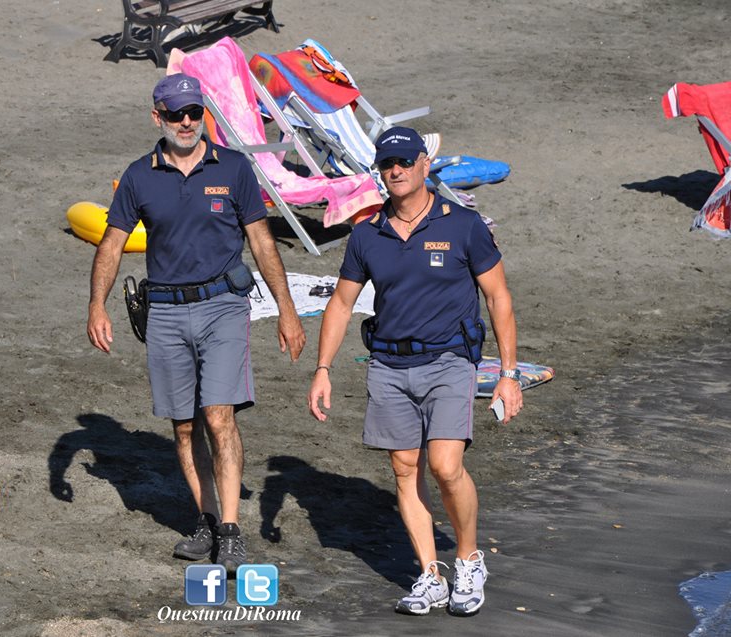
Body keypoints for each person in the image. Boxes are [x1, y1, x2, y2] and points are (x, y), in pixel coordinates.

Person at [87, 73, 305, 574]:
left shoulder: (233, 168)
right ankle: (205, 517)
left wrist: (287, 310)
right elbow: (112, 244)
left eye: (194, 112)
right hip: (164, 311)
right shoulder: (139, 176)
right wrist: (97, 305)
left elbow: (262, 241)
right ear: (156, 117)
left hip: (224, 307)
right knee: (183, 426)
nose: (186, 122)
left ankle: (230, 529)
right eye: (175, 114)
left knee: (218, 416)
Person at [307, 126, 522, 616]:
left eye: (404, 162)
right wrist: (323, 369)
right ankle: (429, 574)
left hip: (450, 359)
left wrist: (508, 373)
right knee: (406, 471)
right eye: (387, 164)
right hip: (387, 364)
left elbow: (498, 297)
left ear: (425, 164)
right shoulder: (366, 234)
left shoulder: (463, 225)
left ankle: (468, 560)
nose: (396, 171)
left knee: (446, 466)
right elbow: (341, 305)